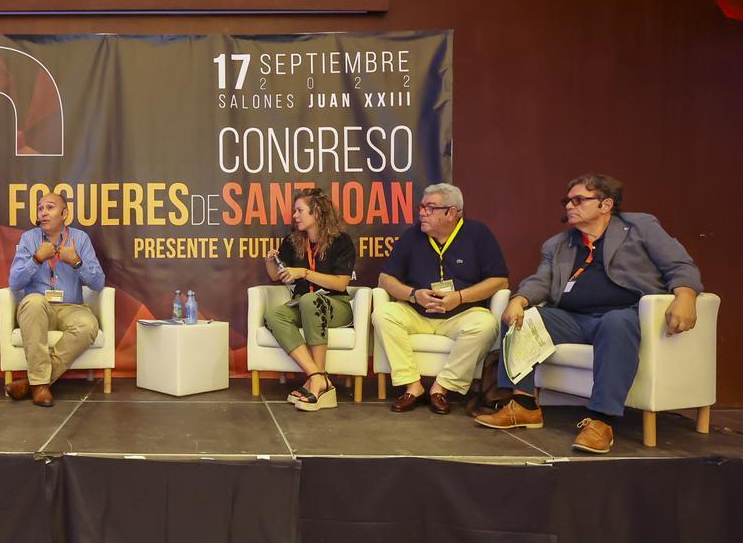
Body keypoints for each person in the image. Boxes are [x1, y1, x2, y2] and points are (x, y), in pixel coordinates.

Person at [475, 174, 703, 453]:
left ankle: (600, 421)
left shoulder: (641, 227)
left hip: (625, 313)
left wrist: (686, 295)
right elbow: (540, 282)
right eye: (567, 200)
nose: (570, 205)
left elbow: (679, 264)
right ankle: (524, 406)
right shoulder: (557, 244)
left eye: (579, 199)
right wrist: (519, 299)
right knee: (524, 318)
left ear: (606, 204)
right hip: (572, 318)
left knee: (615, 322)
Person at [374, 183, 509, 414]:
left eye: (430, 208)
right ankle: (412, 386)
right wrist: (414, 295)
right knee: (383, 314)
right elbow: (384, 279)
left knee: (486, 324)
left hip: (462, 313)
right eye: (421, 206)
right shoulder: (411, 236)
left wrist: (460, 297)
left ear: (451, 212)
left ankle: (442, 387)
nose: (422, 212)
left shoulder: (478, 234)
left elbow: (500, 281)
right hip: (417, 312)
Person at [6, 192, 106, 407]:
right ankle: (40, 386)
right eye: (40, 208)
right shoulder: (29, 239)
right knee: (33, 303)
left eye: (49, 207)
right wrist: (36, 259)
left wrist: (77, 262)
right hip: (39, 308)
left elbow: (98, 283)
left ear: (64, 213)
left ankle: (34, 383)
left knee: (88, 325)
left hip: (71, 307)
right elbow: (14, 283)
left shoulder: (80, 239)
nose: (43, 212)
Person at [263, 188, 357, 411]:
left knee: (309, 300)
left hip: (336, 305)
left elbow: (341, 283)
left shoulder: (340, 241)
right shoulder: (292, 241)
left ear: (316, 212)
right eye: (294, 211)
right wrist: (269, 261)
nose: (295, 215)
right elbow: (275, 276)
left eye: (299, 210)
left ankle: (317, 383)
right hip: (303, 303)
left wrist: (304, 272)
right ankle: (317, 376)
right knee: (274, 315)